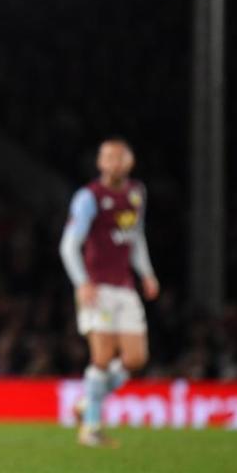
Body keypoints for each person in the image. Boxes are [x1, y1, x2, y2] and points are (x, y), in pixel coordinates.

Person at [59, 138, 159, 447]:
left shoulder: (136, 193)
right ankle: (91, 429)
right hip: (97, 288)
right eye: (108, 157)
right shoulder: (88, 198)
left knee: (135, 358)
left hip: (125, 288)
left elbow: (136, 236)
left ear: (129, 162)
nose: (114, 162)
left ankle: (89, 402)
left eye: (119, 157)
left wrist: (147, 274)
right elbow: (68, 245)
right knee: (102, 356)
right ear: (100, 163)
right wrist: (82, 282)